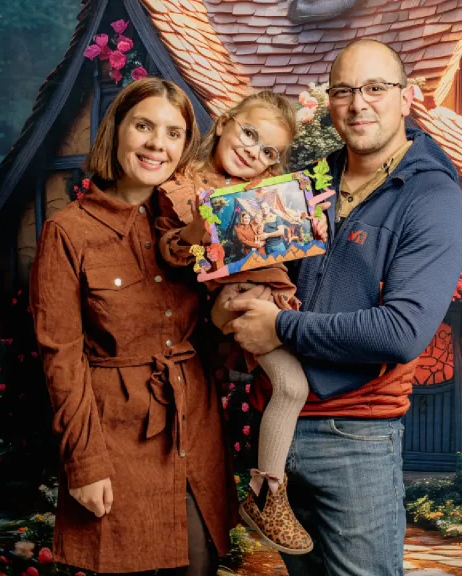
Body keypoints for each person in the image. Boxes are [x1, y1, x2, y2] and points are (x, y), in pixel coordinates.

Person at [219, 39, 462, 575]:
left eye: (376, 88)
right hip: (277, 432)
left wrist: (280, 327)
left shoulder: (432, 199)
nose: (359, 104)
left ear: (407, 98)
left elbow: (401, 332)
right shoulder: (309, 182)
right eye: (343, 91)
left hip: (354, 437)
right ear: (330, 103)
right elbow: (237, 266)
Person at [30, 77, 237, 576]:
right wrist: (85, 463)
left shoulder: (197, 225)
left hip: (197, 432)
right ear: (116, 130)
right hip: (117, 440)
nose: (156, 145)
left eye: (172, 133)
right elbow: (61, 358)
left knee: (200, 566)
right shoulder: (68, 232)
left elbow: (217, 333)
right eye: (143, 126)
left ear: (186, 147)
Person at [155, 90, 327, 556]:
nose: (254, 151)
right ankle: (267, 495)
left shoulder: (268, 189)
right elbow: (169, 248)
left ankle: (265, 493)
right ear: (226, 122)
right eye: (249, 134)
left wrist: (313, 222)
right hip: (237, 302)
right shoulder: (184, 186)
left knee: (290, 387)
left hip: (269, 301)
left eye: (268, 150)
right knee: (291, 387)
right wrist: (192, 233)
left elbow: (289, 229)